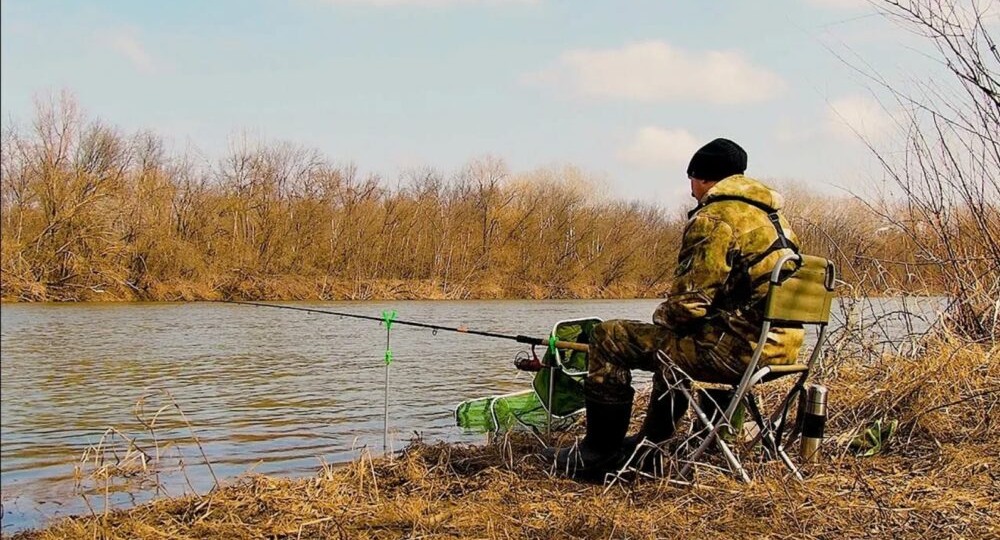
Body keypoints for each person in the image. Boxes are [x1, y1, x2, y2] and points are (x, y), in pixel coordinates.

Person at [546, 138, 805, 476]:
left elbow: (687, 305)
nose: (691, 191)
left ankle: (597, 455)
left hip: (733, 352)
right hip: (781, 350)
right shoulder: (775, 221)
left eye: (691, 181)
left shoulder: (716, 218)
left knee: (609, 335)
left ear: (702, 178)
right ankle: (652, 445)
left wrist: (661, 319)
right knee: (674, 346)